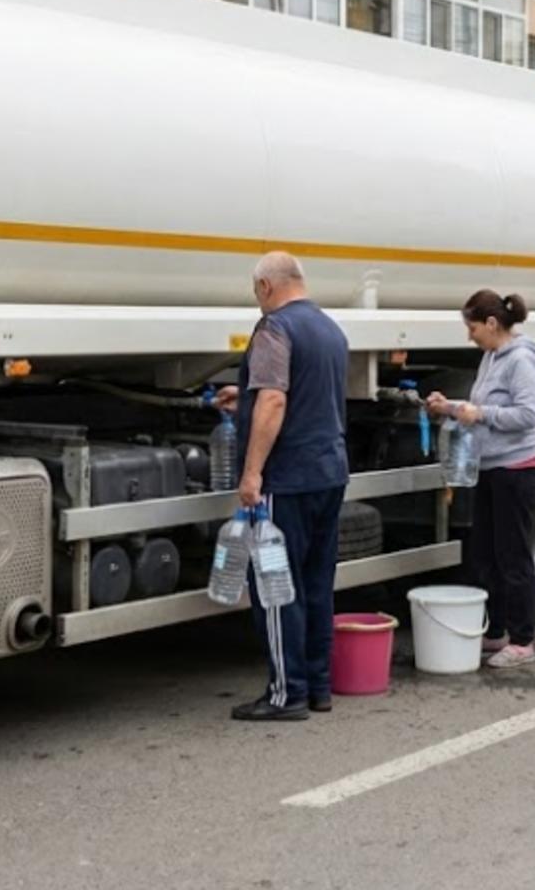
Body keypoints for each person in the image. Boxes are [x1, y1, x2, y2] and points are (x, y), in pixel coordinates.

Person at [217, 252, 350, 722]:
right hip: (328, 472)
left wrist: (252, 473)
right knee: (317, 582)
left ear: (266, 288)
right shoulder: (330, 328)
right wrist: (247, 399)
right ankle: (317, 686)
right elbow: (303, 394)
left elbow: (275, 400)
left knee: (275, 587)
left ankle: (284, 694)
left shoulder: (274, 328)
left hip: (287, 479)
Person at [426, 291, 535, 669]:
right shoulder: (491, 357)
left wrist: (480, 415)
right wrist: (450, 407)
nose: (470, 336)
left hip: (517, 469)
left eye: (472, 327)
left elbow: (528, 414)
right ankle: (495, 632)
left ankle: (523, 639)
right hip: (491, 467)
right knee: (488, 554)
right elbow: (479, 407)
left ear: (492, 324)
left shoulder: (522, 359)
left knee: (513, 556)